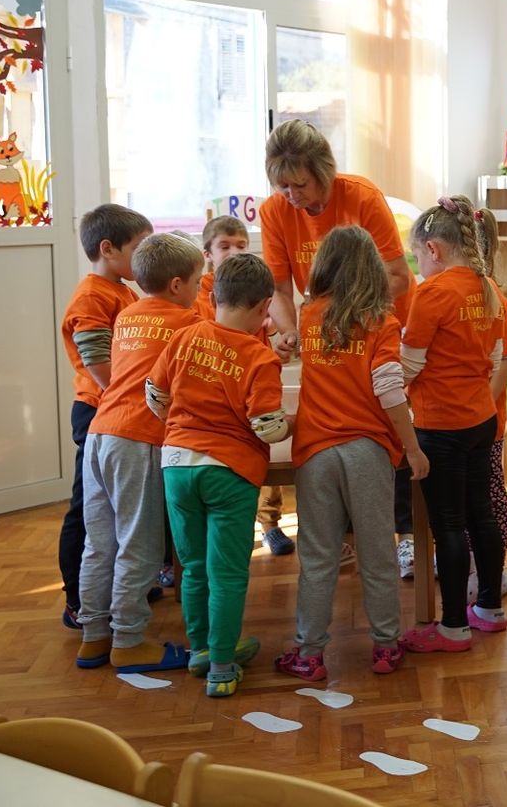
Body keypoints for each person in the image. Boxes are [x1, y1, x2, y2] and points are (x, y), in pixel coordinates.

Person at [258, 119, 418, 575]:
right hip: (328, 334)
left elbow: (397, 276)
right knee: (338, 430)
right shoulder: (274, 212)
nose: (291, 195)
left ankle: (405, 535)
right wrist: (289, 332)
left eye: (300, 184)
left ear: (324, 172)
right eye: (282, 185)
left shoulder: (361, 196)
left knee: (389, 423)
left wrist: (343, 314)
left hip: (378, 325)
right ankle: (346, 537)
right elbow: (279, 289)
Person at [275, 227, 427, 680]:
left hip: (315, 452)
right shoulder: (381, 321)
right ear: (371, 270)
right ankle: (385, 646)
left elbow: (287, 354)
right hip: (367, 451)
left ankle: (309, 653)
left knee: (318, 556)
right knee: (377, 552)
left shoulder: (309, 316)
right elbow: (389, 389)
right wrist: (413, 448)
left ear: (324, 265)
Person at [147, 254, 289, 697]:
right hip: (230, 470)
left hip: (176, 466)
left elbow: (154, 394)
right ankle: (222, 668)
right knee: (227, 573)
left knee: (192, 568)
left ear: (214, 297)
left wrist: (180, 427)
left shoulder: (184, 337)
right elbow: (268, 427)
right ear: (263, 306)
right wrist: (295, 422)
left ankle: (201, 650)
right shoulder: (259, 358)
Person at [76, 234, 203, 673]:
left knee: (99, 544)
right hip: (138, 439)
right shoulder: (189, 324)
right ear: (177, 285)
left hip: (100, 433)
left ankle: (94, 636)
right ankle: (129, 641)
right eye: (198, 282)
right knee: (140, 545)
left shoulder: (127, 314)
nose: (200, 290)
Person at [398, 196, 506, 652]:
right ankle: (489, 609)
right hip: (481, 418)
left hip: (440, 423)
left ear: (434, 249)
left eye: (417, 256)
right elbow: (496, 357)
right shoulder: (488, 287)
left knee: (448, 525)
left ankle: (454, 627)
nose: (418, 266)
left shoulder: (433, 293)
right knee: (481, 515)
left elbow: (409, 366)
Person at [59, 203, 153, 630]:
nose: (144, 256)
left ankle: (119, 588)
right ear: (108, 248)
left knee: (121, 505)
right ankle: (78, 600)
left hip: (117, 411)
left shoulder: (123, 291)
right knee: (88, 509)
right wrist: (133, 394)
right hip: (98, 412)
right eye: (139, 247)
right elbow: (99, 363)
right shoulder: (92, 296)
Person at [198, 215, 293, 557]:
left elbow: (260, 346)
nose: (235, 251)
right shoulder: (202, 295)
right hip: (217, 395)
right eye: (224, 246)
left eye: (241, 245)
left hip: (253, 391)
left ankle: (270, 524)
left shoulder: (254, 291)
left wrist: (277, 350)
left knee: (263, 443)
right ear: (207, 254)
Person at [466, 206, 507, 602]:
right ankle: (471, 566)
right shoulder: (449, 294)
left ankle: (490, 570)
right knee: (467, 499)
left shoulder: (494, 298)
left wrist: (481, 409)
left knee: (488, 497)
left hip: (483, 423)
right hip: (462, 421)